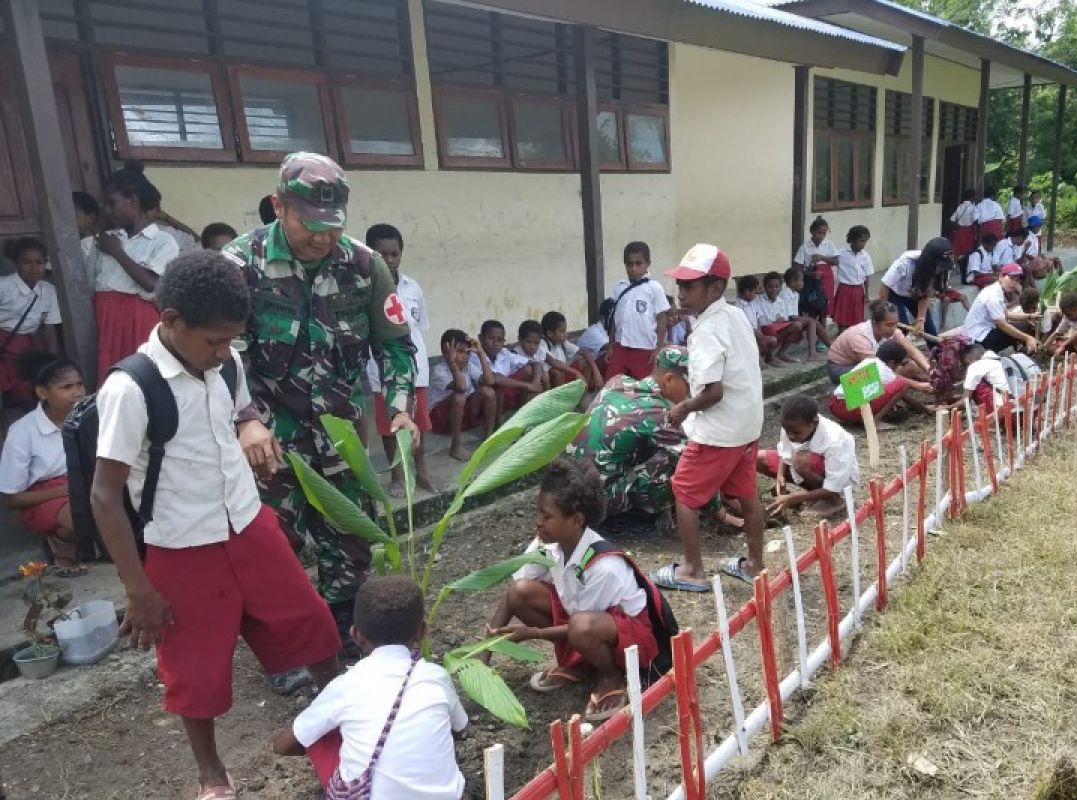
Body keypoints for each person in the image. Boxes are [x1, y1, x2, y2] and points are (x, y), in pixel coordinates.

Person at [91, 250, 341, 799]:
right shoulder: (131, 388)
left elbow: (239, 410)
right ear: (170, 320)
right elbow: (104, 496)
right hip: (181, 545)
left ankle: (346, 723)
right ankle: (211, 772)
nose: (224, 352)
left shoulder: (226, 363)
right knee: (193, 670)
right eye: (213, 341)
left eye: (232, 340)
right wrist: (138, 590)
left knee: (311, 623)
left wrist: (250, 423)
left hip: (248, 524)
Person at [222, 152, 418, 654]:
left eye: (332, 226)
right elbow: (220, 353)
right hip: (266, 442)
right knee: (272, 550)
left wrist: (399, 408)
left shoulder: (365, 267)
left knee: (350, 546)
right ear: (277, 206)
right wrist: (244, 419)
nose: (322, 237)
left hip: (341, 437)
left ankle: (343, 641)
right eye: (309, 224)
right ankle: (284, 651)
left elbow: (395, 344)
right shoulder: (239, 267)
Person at [487, 459, 659, 723]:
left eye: (547, 517)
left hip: (630, 639)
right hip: (582, 620)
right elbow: (514, 595)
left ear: (577, 520)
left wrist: (533, 634)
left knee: (581, 627)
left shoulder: (604, 567)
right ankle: (578, 665)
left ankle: (610, 677)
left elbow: (582, 626)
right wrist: (485, 652)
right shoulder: (547, 545)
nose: (538, 523)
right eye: (538, 514)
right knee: (521, 592)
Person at [273, 575, 467, 799]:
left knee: (322, 732)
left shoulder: (345, 687)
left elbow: (282, 746)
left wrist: (337, 746)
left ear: (355, 634)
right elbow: (460, 730)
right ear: (422, 632)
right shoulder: (436, 677)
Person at [653, 244, 764, 592]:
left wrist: (683, 407)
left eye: (690, 286)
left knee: (683, 493)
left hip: (719, 431)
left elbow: (713, 392)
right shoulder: (733, 315)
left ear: (714, 289)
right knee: (747, 494)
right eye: (680, 285)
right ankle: (755, 563)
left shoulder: (704, 333)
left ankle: (692, 570)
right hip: (747, 424)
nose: (681, 293)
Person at [567, 346, 689, 521]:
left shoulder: (618, 381)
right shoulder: (660, 413)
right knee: (675, 461)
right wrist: (719, 510)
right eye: (689, 385)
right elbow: (691, 459)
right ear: (668, 380)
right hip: (595, 503)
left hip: (567, 489)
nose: (690, 394)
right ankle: (642, 517)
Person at [86, 162, 181, 377]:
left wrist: (118, 253)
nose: (107, 211)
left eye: (112, 203)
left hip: (137, 318)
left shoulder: (162, 241)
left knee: (140, 374)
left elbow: (152, 283)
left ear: (134, 200)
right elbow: (91, 283)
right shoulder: (108, 240)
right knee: (108, 374)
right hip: (104, 316)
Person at [0, 355, 86, 575]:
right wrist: (64, 490)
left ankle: (70, 538)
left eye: (79, 384)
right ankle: (63, 543)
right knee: (84, 515)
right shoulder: (23, 432)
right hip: (44, 497)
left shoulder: (88, 417)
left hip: (84, 483)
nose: (77, 392)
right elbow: (10, 499)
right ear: (43, 393)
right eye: (67, 387)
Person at [366, 223, 434, 493]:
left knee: (420, 425)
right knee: (389, 426)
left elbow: (420, 327)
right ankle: (396, 475)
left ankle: (422, 471)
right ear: (372, 254)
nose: (390, 260)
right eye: (383, 255)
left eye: (395, 254)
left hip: (416, 368)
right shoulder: (366, 290)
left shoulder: (413, 287)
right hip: (384, 371)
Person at [759, 395, 858, 519]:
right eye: (786, 430)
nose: (790, 436)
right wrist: (780, 476)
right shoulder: (791, 426)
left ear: (814, 423)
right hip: (805, 469)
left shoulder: (835, 440)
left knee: (801, 461)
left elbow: (834, 486)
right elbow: (785, 453)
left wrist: (791, 499)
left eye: (796, 433)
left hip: (837, 487)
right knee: (759, 458)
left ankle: (833, 500)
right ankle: (813, 495)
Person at [0, 238, 62, 420]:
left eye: (39, 263)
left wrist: (52, 362)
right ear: (16, 264)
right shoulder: (3, 287)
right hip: (4, 343)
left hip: (28, 347)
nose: (34, 268)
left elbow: (49, 328)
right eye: (27, 263)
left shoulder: (48, 291)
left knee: (28, 389)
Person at [827, 339, 933, 424]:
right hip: (847, 408)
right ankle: (874, 421)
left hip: (834, 405)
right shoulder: (886, 372)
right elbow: (902, 391)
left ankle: (866, 417)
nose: (899, 367)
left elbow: (898, 395)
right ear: (892, 363)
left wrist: (921, 408)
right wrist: (923, 408)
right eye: (899, 364)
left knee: (895, 387)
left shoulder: (869, 361)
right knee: (902, 384)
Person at [430, 330, 497, 462]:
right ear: (446, 352)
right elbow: (461, 387)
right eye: (460, 352)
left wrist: (481, 353)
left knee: (488, 391)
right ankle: (456, 446)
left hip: (463, 413)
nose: (465, 356)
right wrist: (452, 363)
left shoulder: (469, 367)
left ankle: (488, 438)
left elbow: (490, 381)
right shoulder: (439, 370)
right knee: (459, 396)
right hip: (441, 419)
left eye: (468, 352)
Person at [825, 300, 929, 386]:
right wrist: (917, 385)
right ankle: (874, 404)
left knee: (910, 366)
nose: (893, 329)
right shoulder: (860, 337)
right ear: (875, 322)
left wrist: (930, 371)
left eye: (895, 324)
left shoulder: (893, 331)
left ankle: (890, 396)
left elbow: (913, 352)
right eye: (889, 325)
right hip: (840, 369)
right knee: (875, 378)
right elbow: (878, 372)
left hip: (863, 364)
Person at [606, 241, 669, 380]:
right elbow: (614, 320)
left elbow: (661, 319)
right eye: (629, 264)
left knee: (645, 387)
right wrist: (611, 346)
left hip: (644, 348)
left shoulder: (654, 288)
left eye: (638, 263)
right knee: (612, 384)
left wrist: (658, 348)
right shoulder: (619, 287)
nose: (634, 268)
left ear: (648, 263)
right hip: (620, 347)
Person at [878, 237, 954, 337]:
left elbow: (925, 294)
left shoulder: (943, 271)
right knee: (901, 327)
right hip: (895, 293)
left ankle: (937, 351)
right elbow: (884, 288)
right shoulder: (904, 264)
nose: (940, 269)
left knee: (929, 328)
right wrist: (884, 312)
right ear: (929, 262)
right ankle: (897, 349)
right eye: (939, 265)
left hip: (915, 294)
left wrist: (921, 320)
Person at [961, 263, 1039, 353]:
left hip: (982, 332)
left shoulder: (997, 290)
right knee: (1018, 328)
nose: (1014, 283)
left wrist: (1029, 316)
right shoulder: (993, 295)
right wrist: (1027, 337)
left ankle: (1016, 350)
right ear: (1001, 276)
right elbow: (1002, 324)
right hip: (977, 338)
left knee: (1018, 327)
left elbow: (1007, 314)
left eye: (1017, 280)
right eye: (1011, 278)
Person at [471, 320, 544, 414]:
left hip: (506, 397)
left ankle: (524, 413)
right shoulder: (473, 357)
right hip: (482, 403)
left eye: (499, 340)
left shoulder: (504, 353)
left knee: (529, 370)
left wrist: (535, 383)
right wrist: (528, 386)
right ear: (480, 338)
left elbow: (536, 364)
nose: (495, 343)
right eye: (491, 338)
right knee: (497, 388)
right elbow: (494, 379)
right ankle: (496, 426)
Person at [754, 270, 826, 365]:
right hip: (767, 328)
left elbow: (784, 315)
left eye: (776, 287)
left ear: (780, 287)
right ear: (765, 288)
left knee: (799, 326)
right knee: (805, 323)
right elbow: (761, 318)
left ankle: (781, 353)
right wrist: (774, 321)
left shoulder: (780, 300)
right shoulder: (760, 299)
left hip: (778, 328)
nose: (774, 289)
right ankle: (771, 356)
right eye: (770, 287)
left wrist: (782, 319)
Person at [539, 311, 603, 390]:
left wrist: (597, 372)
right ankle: (562, 400)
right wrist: (576, 372)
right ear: (549, 333)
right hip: (549, 381)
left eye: (565, 330)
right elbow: (553, 362)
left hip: (563, 376)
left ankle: (585, 392)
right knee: (556, 372)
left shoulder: (562, 342)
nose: (566, 334)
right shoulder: (542, 343)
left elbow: (585, 352)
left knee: (585, 362)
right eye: (562, 331)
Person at [794, 217, 836, 336]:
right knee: (813, 306)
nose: (821, 236)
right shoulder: (805, 247)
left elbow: (836, 261)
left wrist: (822, 258)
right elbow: (798, 267)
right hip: (811, 279)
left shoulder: (829, 244)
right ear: (812, 231)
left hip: (826, 278)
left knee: (824, 307)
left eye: (824, 233)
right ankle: (811, 334)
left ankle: (822, 336)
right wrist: (811, 274)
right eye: (818, 232)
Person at [832, 225, 873, 331]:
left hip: (858, 289)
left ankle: (853, 339)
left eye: (865, 241)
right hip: (844, 289)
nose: (863, 244)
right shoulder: (841, 253)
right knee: (842, 318)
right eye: (861, 241)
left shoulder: (865, 256)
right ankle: (841, 338)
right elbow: (830, 261)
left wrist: (867, 293)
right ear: (852, 240)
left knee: (857, 319)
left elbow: (867, 275)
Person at [735, 274, 776, 368]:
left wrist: (760, 334)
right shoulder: (738, 306)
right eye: (755, 292)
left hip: (757, 333)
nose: (756, 295)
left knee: (772, 340)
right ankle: (759, 362)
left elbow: (758, 319)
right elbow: (744, 326)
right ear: (747, 292)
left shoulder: (754, 303)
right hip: (746, 335)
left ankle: (769, 357)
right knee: (752, 341)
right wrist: (757, 334)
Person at [960, 343, 1010, 413]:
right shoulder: (1002, 360)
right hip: (1026, 407)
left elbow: (964, 402)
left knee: (978, 385)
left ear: (968, 361)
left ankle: (993, 416)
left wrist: (946, 407)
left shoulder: (974, 366)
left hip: (1008, 410)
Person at [949, 189, 977, 265]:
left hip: (960, 229)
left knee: (959, 249)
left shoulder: (960, 206)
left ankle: (958, 266)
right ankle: (966, 264)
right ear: (972, 197)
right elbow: (975, 220)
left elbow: (952, 219)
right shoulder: (973, 207)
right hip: (969, 230)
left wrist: (957, 226)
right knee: (967, 249)